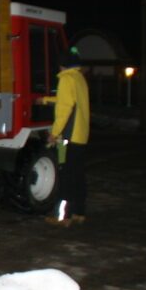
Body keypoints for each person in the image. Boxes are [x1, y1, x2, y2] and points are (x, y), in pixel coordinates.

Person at [45, 47, 90, 227]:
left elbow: (64, 108)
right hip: (81, 134)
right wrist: (47, 100)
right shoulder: (79, 79)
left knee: (66, 176)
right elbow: (68, 100)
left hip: (69, 136)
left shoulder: (65, 80)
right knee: (78, 175)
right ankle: (79, 213)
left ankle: (63, 217)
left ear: (62, 65)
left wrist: (54, 134)